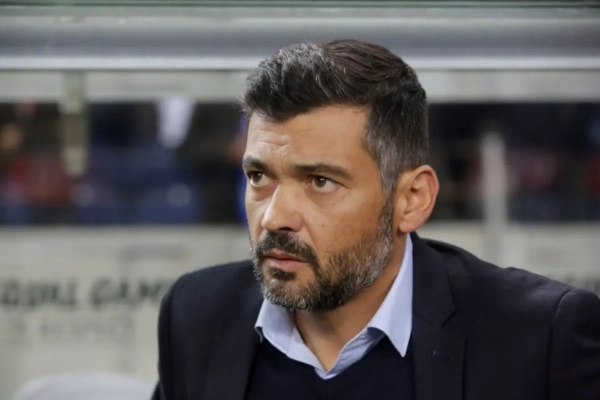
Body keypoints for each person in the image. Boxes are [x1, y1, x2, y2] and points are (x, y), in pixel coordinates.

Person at [151, 40, 600, 400]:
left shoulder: (540, 339)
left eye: (320, 181)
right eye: (259, 176)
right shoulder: (196, 314)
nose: (274, 217)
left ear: (411, 200)